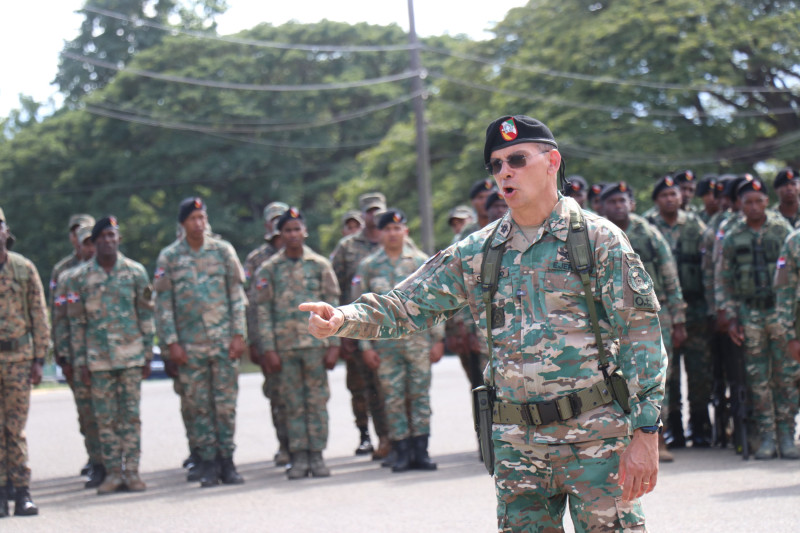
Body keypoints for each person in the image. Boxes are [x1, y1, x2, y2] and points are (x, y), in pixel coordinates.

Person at [301, 115, 665, 532]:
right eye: (496, 165)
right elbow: (407, 304)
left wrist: (646, 432)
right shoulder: (480, 251)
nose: (505, 171)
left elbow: (642, 336)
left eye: (517, 159)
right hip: (518, 446)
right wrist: (343, 318)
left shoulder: (598, 240)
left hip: (597, 439)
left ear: (552, 162)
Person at [154, 197, 247, 487]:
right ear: (182, 224)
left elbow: (236, 295)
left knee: (225, 405)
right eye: (193, 219)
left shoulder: (222, 251)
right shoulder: (169, 257)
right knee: (199, 407)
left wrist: (238, 334)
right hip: (189, 345)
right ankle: (207, 463)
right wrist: (171, 342)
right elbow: (163, 304)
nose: (199, 224)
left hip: (222, 343)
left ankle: (227, 463)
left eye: (202, 218)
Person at [68, 217, 155, 493]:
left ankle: (132, 472)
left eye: (112, 235)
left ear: (118, 239)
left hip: (130, 357)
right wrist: (81, 361)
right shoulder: (79, 278)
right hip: (98, 360)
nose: (108, 240)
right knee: (105, 419)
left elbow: (145, 313)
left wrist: (147, 353)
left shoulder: (135, 272)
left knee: (130, 417)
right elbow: (77, 323)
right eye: (102, 236)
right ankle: (113, 473)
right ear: (93, 242)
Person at [354, 209, 445, 472]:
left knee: (419, 396)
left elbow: (437, 302)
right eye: (388, 229)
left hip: (418, 342)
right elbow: (361, 308)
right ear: (380, 234)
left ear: (405, 231)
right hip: (385, 345)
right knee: (392, 398)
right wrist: (365, 346)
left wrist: (438, 339)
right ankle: (401, 451)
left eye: (398, 228)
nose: (393, 234)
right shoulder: (369, 266)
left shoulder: (421, 262)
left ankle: (421, 451)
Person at [601, 182, 686, 462]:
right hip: (610, 321)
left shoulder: (648, 233)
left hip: (650, 317)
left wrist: (678, 320)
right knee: (614, 380)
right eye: (612, 202)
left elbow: (669, 273)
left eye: (622, 201)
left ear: (632, 203)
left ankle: (657, 439)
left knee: (655, 379)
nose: (618, 206)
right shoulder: (594, 233)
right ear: (602, 206)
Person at [716, 177, 798, 460]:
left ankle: (787, 434)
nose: (753, 206)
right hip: (749, 313)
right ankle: (766, 436)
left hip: (779, 311)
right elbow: (723, 278)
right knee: (757, 378)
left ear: (766, 201)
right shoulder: (732, 233)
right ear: (741, 204)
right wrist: (730, 315)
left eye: (758, 201)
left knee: (785, 375)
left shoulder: (782, 229)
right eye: (747, 202)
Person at [255, 208, 340, 478]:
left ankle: (317, 456)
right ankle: (299, 457)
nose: (293, 235)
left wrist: (335, 344)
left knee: (316, 402)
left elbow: (334, 306)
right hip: (285, 348)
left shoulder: (319, 265)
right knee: (292, 403)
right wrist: (268, 347)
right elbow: (263, 311)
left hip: (317, 346)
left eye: (297, 229)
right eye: (287, 230)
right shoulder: (269, 269)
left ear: (304, 232)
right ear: (279, 234)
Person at [646, 175, 711, 449]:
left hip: (694, 309)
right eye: (665, 195)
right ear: (657, 200)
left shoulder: (695, 225)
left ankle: (700, 428)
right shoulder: (648, 227)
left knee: (699, 372)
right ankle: (672, 430)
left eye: (674, 194)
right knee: (667, 375)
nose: (671, 199)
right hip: (662, 309)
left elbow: (709, 266)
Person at [329, 192, 390, 459]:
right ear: (363, 214)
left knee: (395, 387)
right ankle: (379, 437)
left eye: (378, 210)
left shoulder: (393, 238)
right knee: (367, 387)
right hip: (359, 328)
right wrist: (339, 329)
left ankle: (401, 439)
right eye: (369, 211)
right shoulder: (347, 247)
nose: (374, 216)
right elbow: (335, 288)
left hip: (393, 325)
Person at [0, 207, 49, 517]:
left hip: (18, 358)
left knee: (15, 430)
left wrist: (40, 358)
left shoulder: (23, 268)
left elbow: (39, 315)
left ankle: (22, 492)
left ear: (6, 231)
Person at [52, 223, 105, 488]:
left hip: (107, 357)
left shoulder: (110, 271)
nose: (89, 248)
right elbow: (60, 319)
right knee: (87, 415)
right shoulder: (66, 277)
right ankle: (96, 462)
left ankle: (115, 464)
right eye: (85, 243)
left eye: (92, 243)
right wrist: (62, 356)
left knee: (110, 414)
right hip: (78, 357)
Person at [244, 201, 290, 467]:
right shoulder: (256, 259)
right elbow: (251, 303)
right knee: (277, 395)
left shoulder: (302, 254)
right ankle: (284, 445)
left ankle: (304, 448)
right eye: (273, 220)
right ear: (266, 225)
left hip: (298, 338)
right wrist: (254, 339)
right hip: (269, 338)